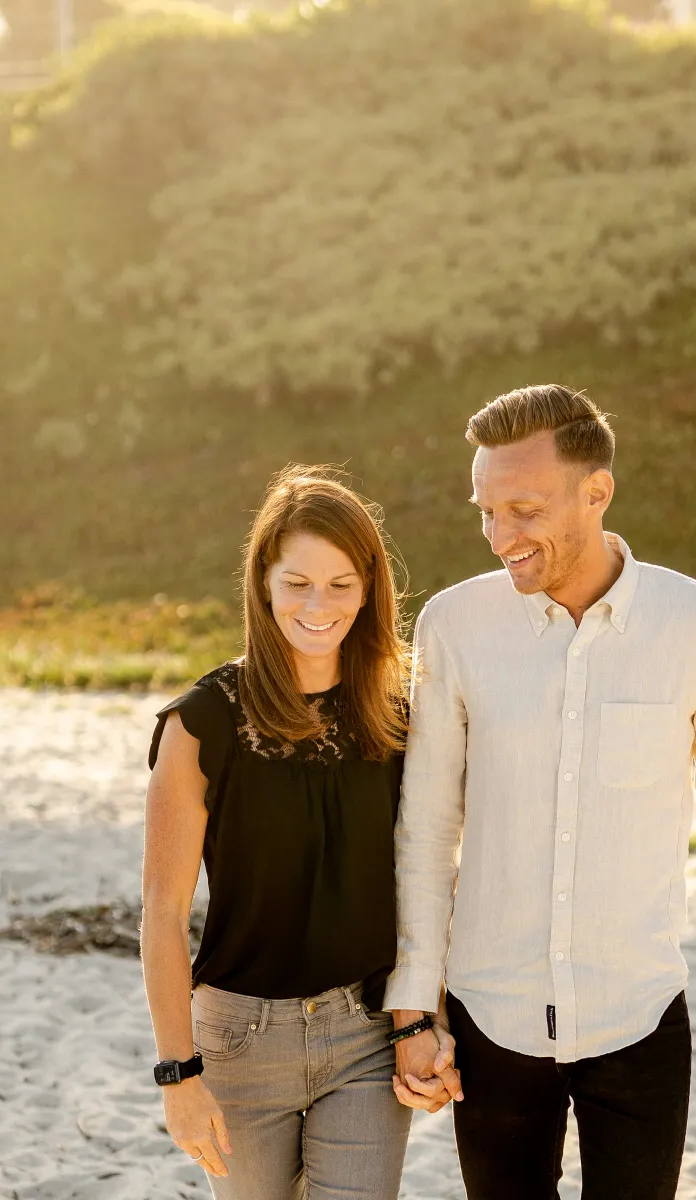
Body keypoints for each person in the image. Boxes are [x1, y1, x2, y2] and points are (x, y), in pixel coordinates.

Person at [384, 385, 696, 1199]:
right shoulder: (453, 626)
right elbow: (426, 830)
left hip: (639, 1016)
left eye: (524, 509)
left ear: (597, 491)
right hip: (489, 1018)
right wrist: (413, 1009)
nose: (502, 537)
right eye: (487, 511)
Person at [139, 467, 457, 1198]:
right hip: (239, 1041)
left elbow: (430, 876)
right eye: (298, 583)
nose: (320, 605)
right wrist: (177, 1075)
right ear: (263, 582)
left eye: (342, 584)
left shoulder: (404, 714)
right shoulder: (200, 724)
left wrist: (425, 1020)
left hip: (367, 1037)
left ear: (371, 586)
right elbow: (161, 913)